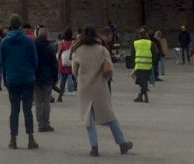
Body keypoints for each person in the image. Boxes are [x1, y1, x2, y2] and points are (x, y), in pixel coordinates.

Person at [72, 25, 133, 156]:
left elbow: (74, 70)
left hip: (85, 88)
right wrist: (106, 79)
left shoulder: (79, 50)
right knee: (109, 116)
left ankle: (94, 147)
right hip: (100, 86)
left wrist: (80, 79)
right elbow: (109, 68)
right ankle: (122, 143)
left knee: (88, 119)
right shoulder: (101, 49)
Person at [1, 14, 39, 150]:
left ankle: (13, 139)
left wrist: (6, 78)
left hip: (12, 79)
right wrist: (31, 72)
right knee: (28, 110)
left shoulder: (4, 42)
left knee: (14, 110)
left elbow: (3, 63)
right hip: (27, 78)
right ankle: (30, 139)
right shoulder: (29, 41)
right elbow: (34, 60)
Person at [34, 27, 58, 132]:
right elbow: (54, 65)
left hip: (36, 78)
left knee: (38, 102)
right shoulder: (50, 48)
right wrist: (55, 78)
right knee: (46, 102)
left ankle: (40, 124)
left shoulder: (33, 47)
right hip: (47, 78)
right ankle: (46, 123)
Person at [131, 29, 153, 103]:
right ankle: (142, 96)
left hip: (139, 66)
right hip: (147, 66)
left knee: (141, 82)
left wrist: (133, 64)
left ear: (139, 35)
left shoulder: (136, 43)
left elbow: (132, 54)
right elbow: (156, 52)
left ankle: (142, 97)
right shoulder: (150, 43)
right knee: (144, 82)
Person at [56, 28, 74, 101]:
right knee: (72, 77)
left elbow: (59, 52)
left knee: (63, 80)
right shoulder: (74, 42)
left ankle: (60, 95)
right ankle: (72, 89)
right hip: (71, 63)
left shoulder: (62, 43)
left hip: (63, 63)